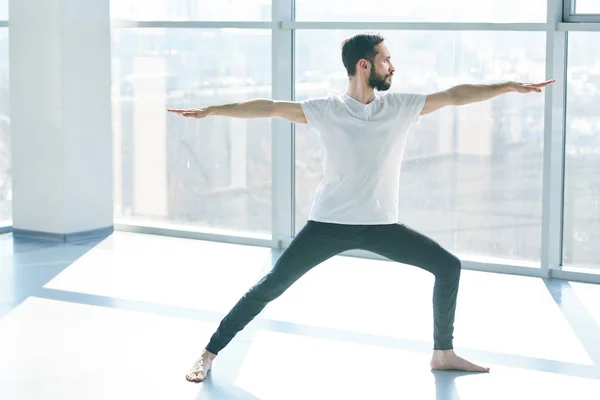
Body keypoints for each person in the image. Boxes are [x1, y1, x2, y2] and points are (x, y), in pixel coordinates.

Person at [168, 32, 554, 383]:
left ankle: (443, 353)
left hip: (381, 226)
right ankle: (208, 353)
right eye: (387, 60)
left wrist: (507, 86)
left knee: (448, 266)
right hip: (328, 224)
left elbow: (455, 95)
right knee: (270, 287)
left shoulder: (400, 106)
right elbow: (269, 107)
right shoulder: (327, 109)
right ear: (364, 65)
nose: (393, 67)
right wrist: (212, 110)